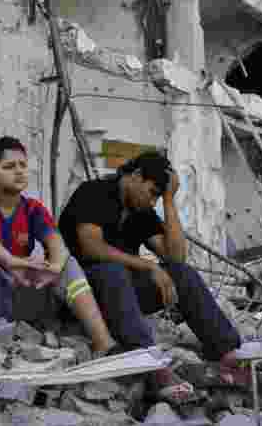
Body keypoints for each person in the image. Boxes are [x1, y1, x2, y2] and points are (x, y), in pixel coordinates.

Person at [58, 152, 241, 404]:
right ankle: (150, 365)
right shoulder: (93, 192)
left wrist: (169, 201)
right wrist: (148, 266)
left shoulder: (140, 210)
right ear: (136, 176)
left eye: (158, 196)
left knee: (182, 274)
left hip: (122, 298)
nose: (153, 201)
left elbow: (176, 257)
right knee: (112, 270)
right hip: (82, 295)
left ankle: (227, 351)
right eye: (153, 193)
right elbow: (92, 247)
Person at [0, 136, 117, 378]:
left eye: (22, 165)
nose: (19, 171)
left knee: (67, 263)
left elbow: (56, 243)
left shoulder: (33, 209)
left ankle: (105, 344)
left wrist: (54, 267)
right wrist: (10, 260)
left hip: (24, 296)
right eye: (9, 166)